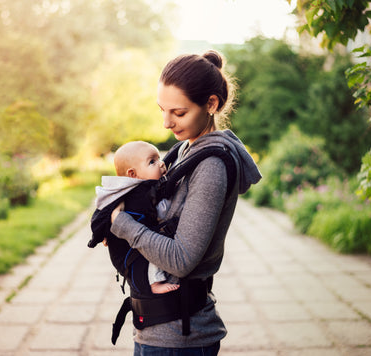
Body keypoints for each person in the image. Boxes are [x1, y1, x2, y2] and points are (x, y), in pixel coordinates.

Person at [109, 50, 262, 355]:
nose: (166, 122)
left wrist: (122, 224)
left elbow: (181, 259)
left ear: (211, 104)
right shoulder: (182, 152)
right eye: (162, 110)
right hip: (157, 329)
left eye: (178, 113)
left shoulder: (211, 166)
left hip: (180, 338)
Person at [95, 140, 180, 294]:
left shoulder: (139, 189)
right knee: (151, 254)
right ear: (133, 174)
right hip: (129, 254)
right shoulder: (139, 195)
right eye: (152, 162)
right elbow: (162, 211)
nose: (161, 164)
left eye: (159, 159)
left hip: (131, 243)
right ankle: (154, 283)